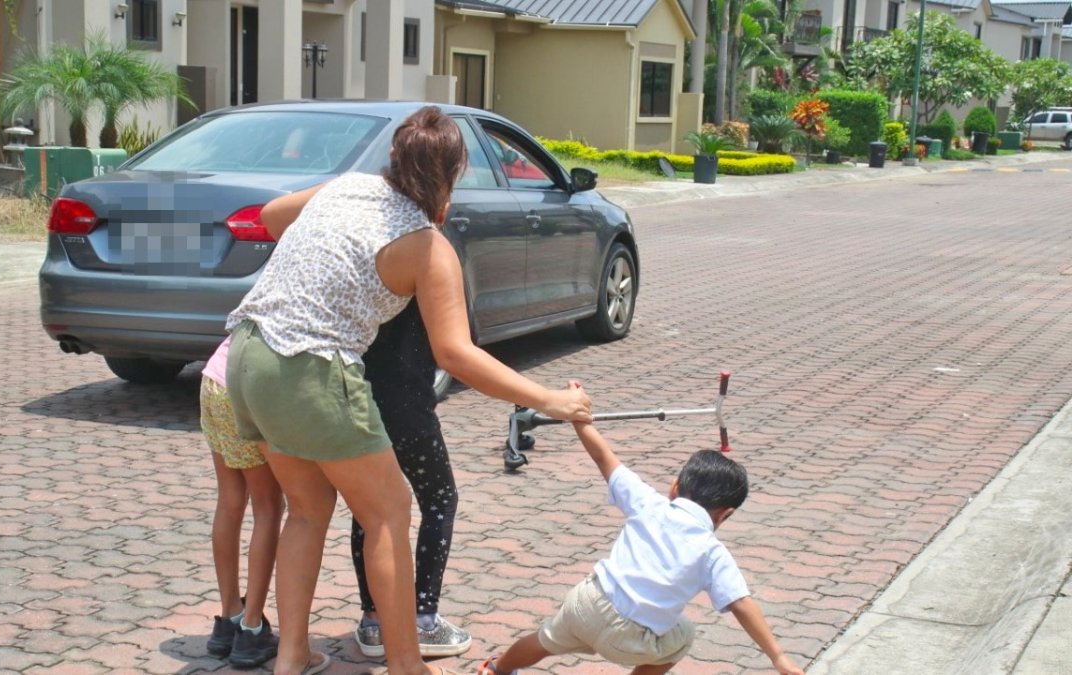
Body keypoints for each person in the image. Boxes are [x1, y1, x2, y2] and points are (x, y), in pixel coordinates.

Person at [224, 106, 593, 675]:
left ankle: (292, 656)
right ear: (451, 178)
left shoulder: (350, 186)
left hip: (246, 354)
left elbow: (272, 216)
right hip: (310, 369)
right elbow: (457, 355)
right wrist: (549, 399)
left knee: (307, 509)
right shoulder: (426, 245)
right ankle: (405, 665)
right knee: (391, 511)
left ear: (393, 160)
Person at [477, 389, 805, 675]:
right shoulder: (711, 552)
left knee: (545, 639)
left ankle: (497, 669)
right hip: (628, 637)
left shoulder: (649, 503)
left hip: (588, 600)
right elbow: (741, 603)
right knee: (684, 634)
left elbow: (602, 456)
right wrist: (778, 657)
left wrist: (579, 416)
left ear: (674, 487)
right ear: (725, 515)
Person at [351, 299, 469, 658]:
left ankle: (373, 622)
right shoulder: (422, 255)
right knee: (440, 500)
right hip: (409, 407)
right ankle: (423, 618)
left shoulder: (362, 258)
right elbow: (454, 347)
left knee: (368, 511)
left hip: (361, 399)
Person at [199, 335, 286, 669]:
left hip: (215, 377)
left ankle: (228, 617)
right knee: (268, 507)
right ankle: (251, 628)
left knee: (230, 500)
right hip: (247, 386)